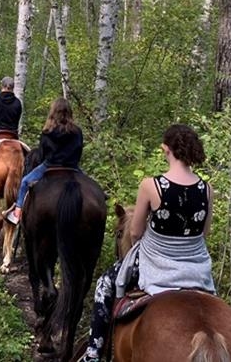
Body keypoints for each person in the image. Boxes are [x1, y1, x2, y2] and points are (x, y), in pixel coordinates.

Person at [78, 123, 215, 362]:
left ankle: (93, 353)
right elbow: (203, 234)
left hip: (157, 265)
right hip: (197, 269)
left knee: (104, 285)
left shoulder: (151, 186)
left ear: (166, 150)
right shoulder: (207, 189)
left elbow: (136, 231)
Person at [5, 97, 82, 224]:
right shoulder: (77, 131)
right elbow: (79, 151)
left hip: (50, 165)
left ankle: (17, 213)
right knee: (92, 184)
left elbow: (42, 154)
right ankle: (102, 196)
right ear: (69, 112)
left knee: (24, 182)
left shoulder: (48, 131)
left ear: (53, 112)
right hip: (72, 167)